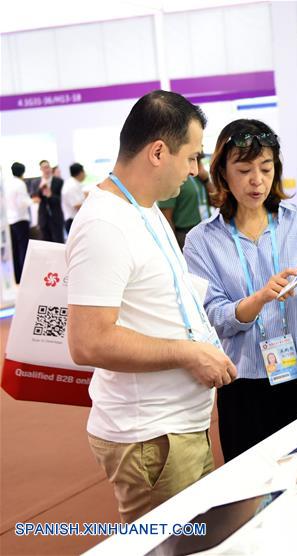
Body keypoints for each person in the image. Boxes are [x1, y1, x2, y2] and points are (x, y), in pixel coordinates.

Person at [66, 90, 237, 523]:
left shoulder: (145, 210)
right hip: (150, 437)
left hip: (176, 428)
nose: (197, 171)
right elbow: (89, 342)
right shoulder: (104, 223)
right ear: (158, 151)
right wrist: (188, 352)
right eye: (192, 157)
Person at [184, 119, 297, 462]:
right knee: (250, 491)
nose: (257, 180)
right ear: (223, 174)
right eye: (244, 170)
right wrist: (258, 299)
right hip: (244, 384)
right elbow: (211, 316)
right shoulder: (201, 241)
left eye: (266, 168)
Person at [159, 155, 211, 249]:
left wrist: (206, 179)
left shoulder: (198, 176)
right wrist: (174, 245)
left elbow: (217, 201)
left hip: (206, 229)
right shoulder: (176, 178)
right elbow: (167, 217)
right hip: (185, 234)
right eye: (193, 158)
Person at [4, 162, 32, 283]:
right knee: (23, 249)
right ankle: (25, 278)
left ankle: (17, 278)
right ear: (23, 171)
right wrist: (32, 201)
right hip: (20, 219)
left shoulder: (7, 183)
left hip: (9, 220)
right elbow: (22, 202)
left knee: (15, 250)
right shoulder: (20, 184)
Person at [34, 159, 65, 243]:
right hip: (43, 218)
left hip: (56, 217)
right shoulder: (37, 182)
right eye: (44, 168)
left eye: (48, 167)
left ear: (51, 168)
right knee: (46, 243)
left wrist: (51, 195)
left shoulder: (59, 181)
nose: (46, 170)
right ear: (41, 169)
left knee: (58, 242)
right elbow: (35, 197)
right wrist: (40, 189)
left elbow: (62, 200)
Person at [61, 162, 87, 234]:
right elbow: (77, 205)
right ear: (81, 172)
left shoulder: (74, 183)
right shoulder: (72, 186)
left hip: (74, 220)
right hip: (72, 221)